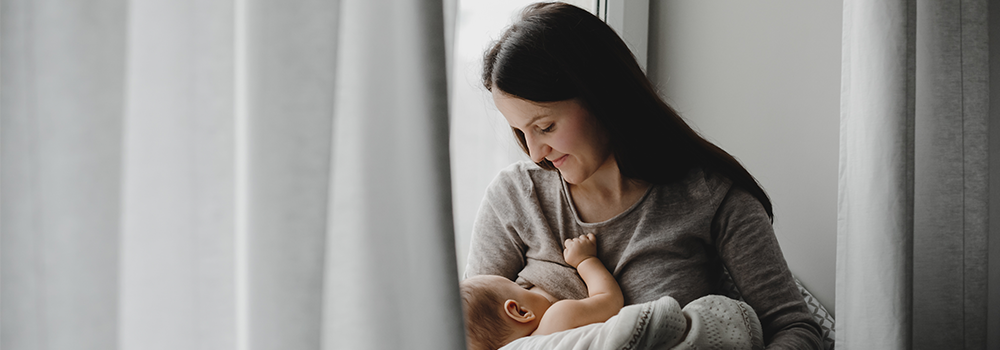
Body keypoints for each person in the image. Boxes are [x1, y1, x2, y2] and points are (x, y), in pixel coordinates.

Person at [464, 2, 824, 349]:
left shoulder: (712, 198)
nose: (535, 152)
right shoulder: (516, 196)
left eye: (545, 126)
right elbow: (466, 334)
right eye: (520, 133)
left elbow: (795, 327)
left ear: (599, 97)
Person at [460, 233, 623, 350]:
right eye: (519, 287)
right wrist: (585, 260)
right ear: (521, 312)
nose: (531, 287)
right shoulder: (558, 317)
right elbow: (610, 300)